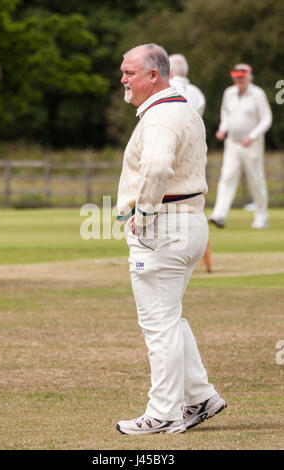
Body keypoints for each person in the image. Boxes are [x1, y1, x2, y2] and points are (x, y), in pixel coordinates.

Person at [116, 43, 226, 435]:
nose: (123, 79)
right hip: (188, 224)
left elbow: (158, 166)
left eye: (130, 72)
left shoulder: (162, 116)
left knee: (157, 324)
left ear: (153, 76)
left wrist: (143, 214)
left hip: (164, 227)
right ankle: (201, 396)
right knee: (169, 319)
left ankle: (162, 411)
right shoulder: (182, 108)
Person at [209, 63, 272, 229]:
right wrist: (223, 129)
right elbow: (225, 114)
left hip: (252, 144)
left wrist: (252, 136)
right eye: (236, 78)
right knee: (227, 177)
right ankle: (219, 214)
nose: (239, 81)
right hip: (233, 143)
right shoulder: (229, 93)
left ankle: (261, 217)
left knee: (255, 180)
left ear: (248, 77)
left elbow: (266, 119)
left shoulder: (257, 94)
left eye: (242, 78)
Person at [169, 53, 211, 273]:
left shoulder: (164, 90)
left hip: (169, 150)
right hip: (193, 154)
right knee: (193, 197)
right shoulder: (198, 94)